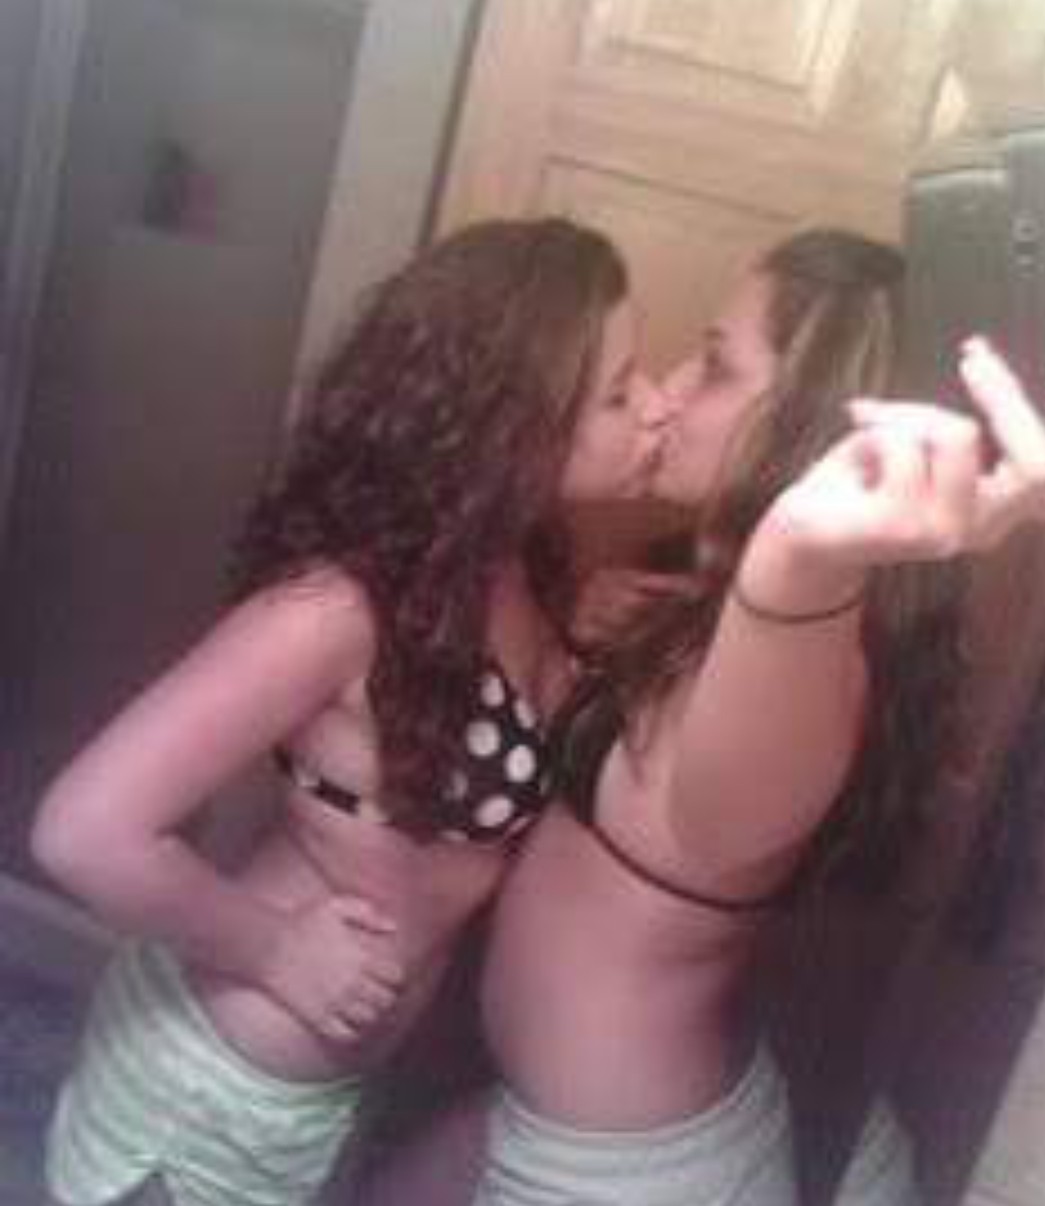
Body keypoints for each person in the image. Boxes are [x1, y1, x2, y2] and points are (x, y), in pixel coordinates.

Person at [354, 230, 1045, 1206]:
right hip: (564, 1115)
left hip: (620, 1170)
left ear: (808, 417)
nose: (667, 393)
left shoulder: (810, 650)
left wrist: (801, 558)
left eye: (716, 365)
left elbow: (735, 798)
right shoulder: (695, 609)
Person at [29, 217, 667, 1206]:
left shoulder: (520, 565)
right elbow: (82, 832)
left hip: (324, 1096)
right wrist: (275, 948)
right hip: (209, 1098)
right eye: (621, 391)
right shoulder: (336, 611)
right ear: (516, 423)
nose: (659, 405)